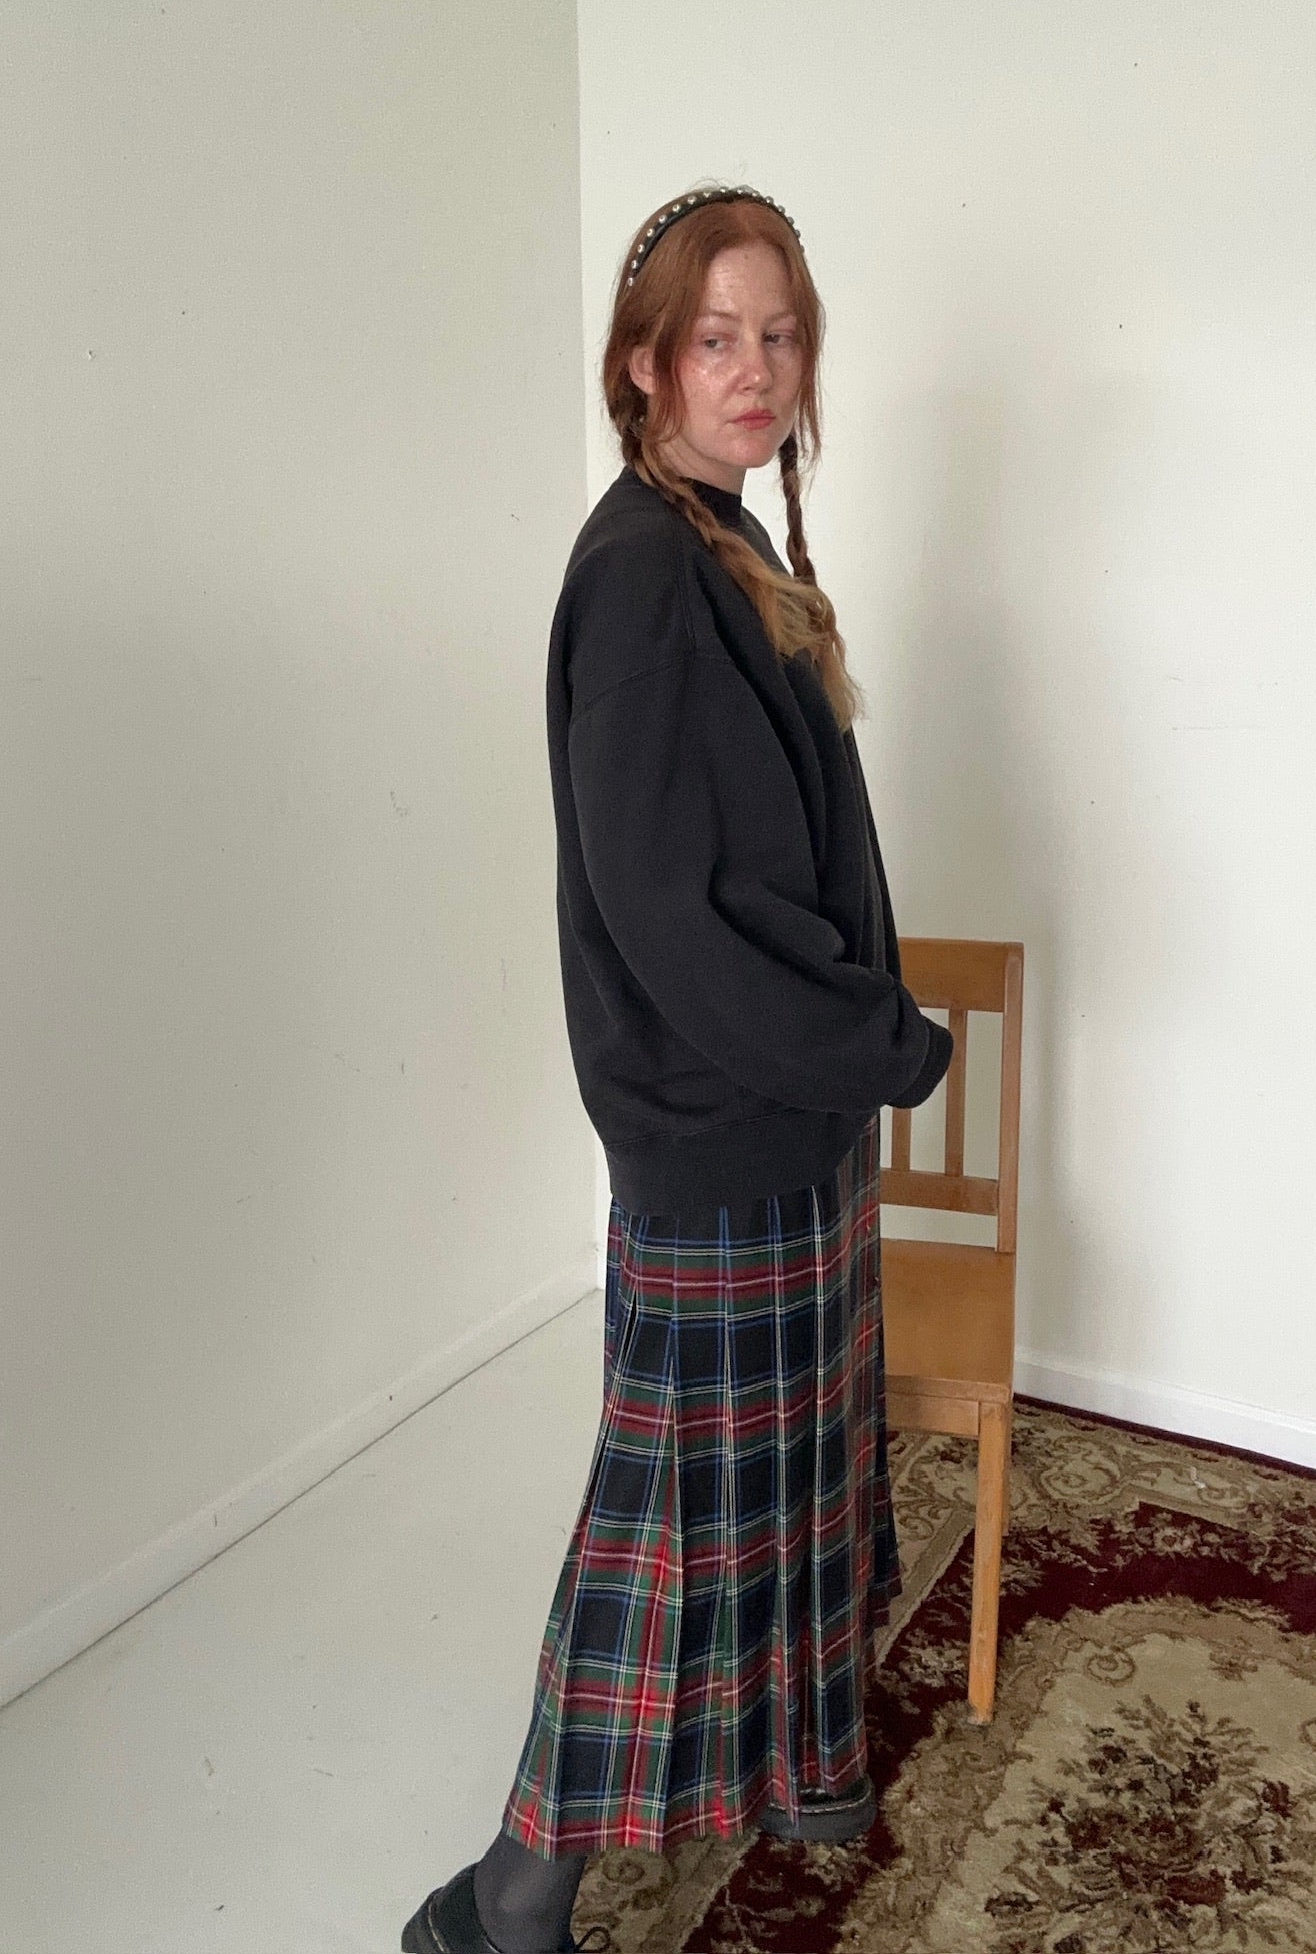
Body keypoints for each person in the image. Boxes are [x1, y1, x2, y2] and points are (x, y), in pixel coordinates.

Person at [402, 183, 953, 1954]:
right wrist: (882, 1042)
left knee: (785, 1486)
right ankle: (504, 1905)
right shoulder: (644, 573)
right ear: (643, 363)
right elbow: (685, 922)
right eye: (716, 337)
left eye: (780, 333)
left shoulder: (728, 539)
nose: (756, 368)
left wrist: (847, 1061)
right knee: (666, 1546)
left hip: (787, 1124)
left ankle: (799, 1771)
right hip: (725, 1136)